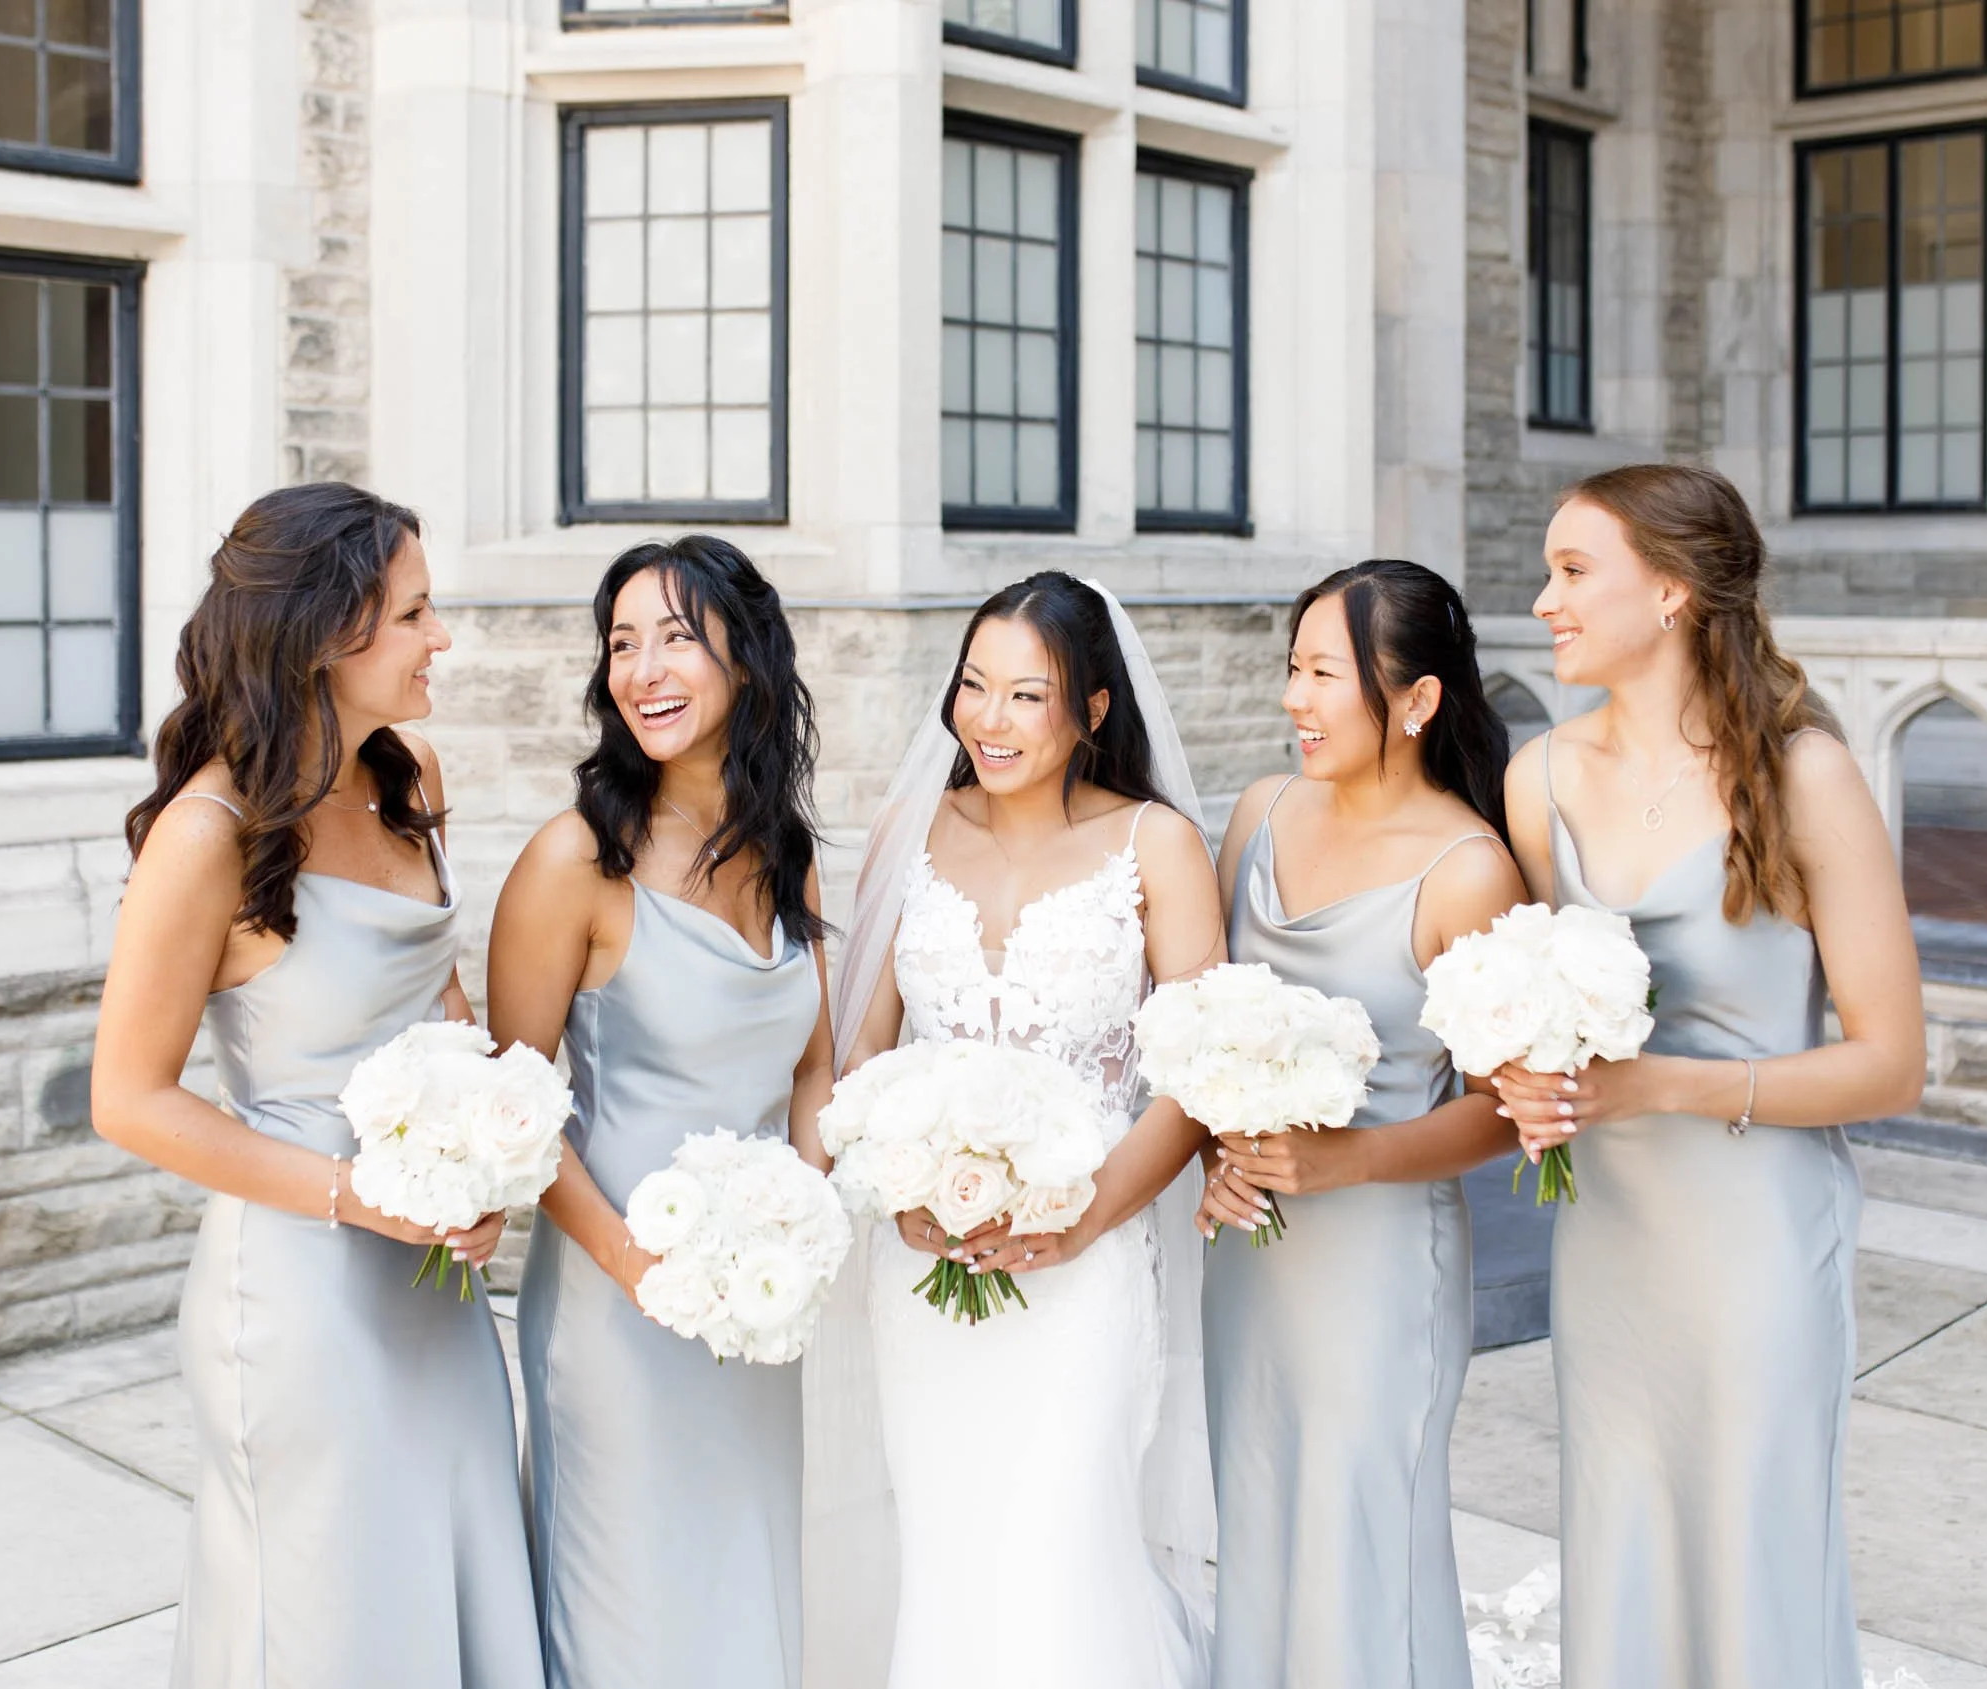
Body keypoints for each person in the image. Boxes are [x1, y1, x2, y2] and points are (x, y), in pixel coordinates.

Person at [91, 484, 541, 1689]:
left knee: (448, 1576)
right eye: (414, 614)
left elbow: (433, 1011)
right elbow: (129, 1098)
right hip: (301, 1294)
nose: (439, 638)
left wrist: (484, 1150)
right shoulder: (209, 834)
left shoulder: (408, 774)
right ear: (327, 631)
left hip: (431, 1278)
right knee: (331, 1619)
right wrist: (360, 1196)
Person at [1494, 464, 1925, 1689]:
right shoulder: (1540, 780)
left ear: (1674, 592)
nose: (1545, 601)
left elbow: (1890, 1064)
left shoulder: (1804, 777)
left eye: (1575, 571)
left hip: (1755, 1242)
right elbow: (1525, 1008)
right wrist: (1521, 1078)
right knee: (1620, 1526)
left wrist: (1660, 1087)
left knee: (1753, 1541)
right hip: (1611, 1238)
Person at [818, 572, 1221, 1689]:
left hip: (1086, 1266)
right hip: (923, 1264)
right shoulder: (910, 831)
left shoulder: (1157, 847)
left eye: (1025, 696)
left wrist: (1080, 1218)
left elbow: (1195, 1083)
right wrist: (899, 1186)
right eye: (973, 688)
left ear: (1092, 711)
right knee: (948, 1547)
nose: (987, 721)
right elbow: (862, 1058)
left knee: (1058, 1537)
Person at [487, 536, 832, 1689]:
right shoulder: (574, 863)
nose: (642, 668)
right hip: (615, 1308)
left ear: (748, 657)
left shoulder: (785, 853)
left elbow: (811, 1072)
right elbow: (515, 1112)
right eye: (622, 643)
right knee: (632, 1610)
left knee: (742, 1580)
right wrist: (642, 1269)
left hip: (755, 1307)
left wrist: (805, 1216)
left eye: (675, 636)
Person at [1198, 560, 1527, 1689]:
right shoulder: (1257, 813)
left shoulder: (1467, 869)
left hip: (1381, 1261)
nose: (1294, 697)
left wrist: (1352, 1159)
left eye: (1323, 673)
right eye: (1292, 668)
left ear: (1416, 699)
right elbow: (1189, 1021)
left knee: (1363, 1537)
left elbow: (1506, 1112)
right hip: (1250, 1255)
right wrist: (1209, 1150)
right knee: (1255, 1510)